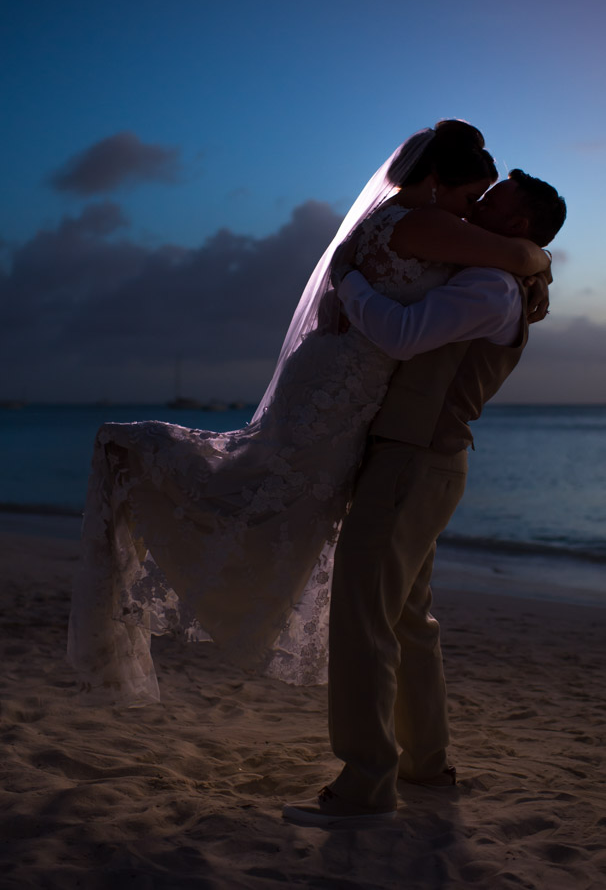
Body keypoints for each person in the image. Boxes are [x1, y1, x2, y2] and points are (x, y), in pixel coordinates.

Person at [67, 121, 551, 706]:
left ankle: (410, 750)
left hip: (339, 382)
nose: (470, 210)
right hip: (340, 388)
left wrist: (351, 279)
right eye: (468, 195)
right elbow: (518, 254)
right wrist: (533, 259)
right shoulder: (425, 223)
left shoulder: (413, 221)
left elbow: (510, 256)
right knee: (268, 499)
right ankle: (136, 460)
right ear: (432, 182)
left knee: (272, 495)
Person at [282, 170, 566, 826]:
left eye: (494, 201)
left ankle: (364, 784)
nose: (476, 205)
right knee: (407, 617)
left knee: (363, 620)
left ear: (518, 226)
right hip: (425, 466)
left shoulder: (490, 286)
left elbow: (401, 334)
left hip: (413, 466)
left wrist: (348, 276)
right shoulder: (496, 275)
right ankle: (427, 763)